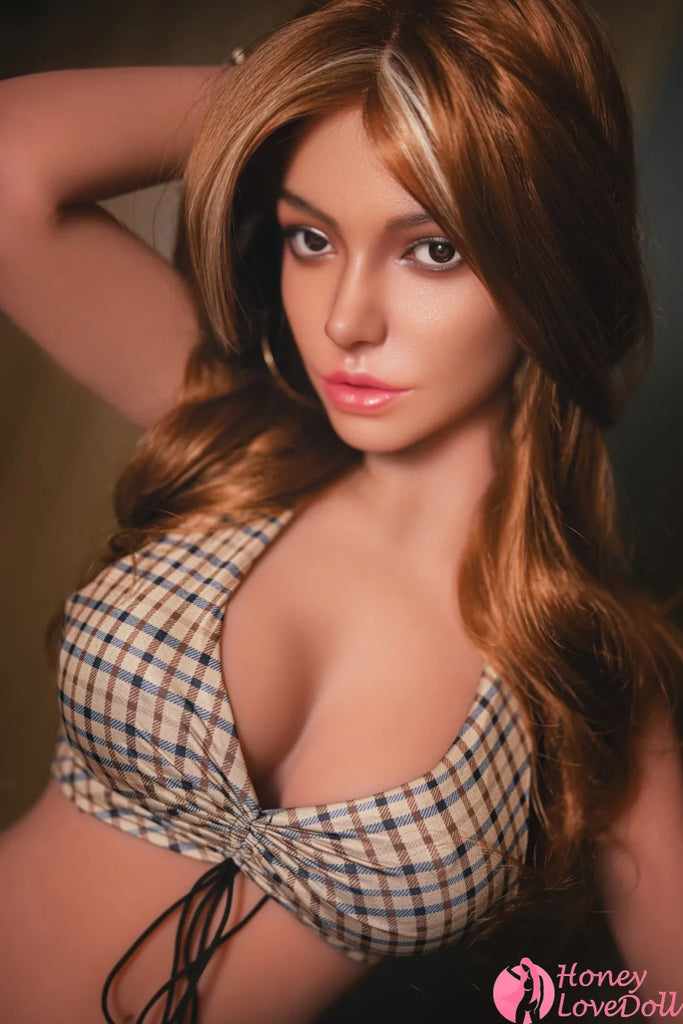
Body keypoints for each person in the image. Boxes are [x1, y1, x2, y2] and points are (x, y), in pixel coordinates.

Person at [0, 0, 681, 1021]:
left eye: (431, 249)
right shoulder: (242, 445)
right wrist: (309, 88)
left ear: (543, 255)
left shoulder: (584, 668)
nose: (345, 318)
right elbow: (11, 166)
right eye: (311, 238)